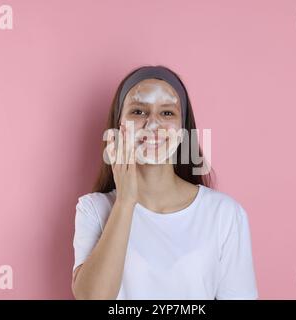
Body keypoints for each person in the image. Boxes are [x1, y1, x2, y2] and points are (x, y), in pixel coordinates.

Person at [71, 65, 258, 300]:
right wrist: (126, 202)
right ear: (119, 128)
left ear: (182, 130)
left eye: (167, 113)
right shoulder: (93, 209)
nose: (152, 125)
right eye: (138, 111)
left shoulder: (224, 214)